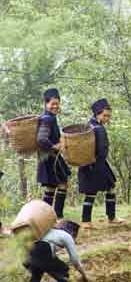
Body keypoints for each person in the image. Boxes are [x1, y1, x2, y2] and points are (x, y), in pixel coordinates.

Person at [78, 99, 121, 229]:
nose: (107, 118)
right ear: (97, 114)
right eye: (105, 115)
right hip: (96, 165)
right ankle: (88, 221)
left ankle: (109, 217)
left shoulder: (88, 125)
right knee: (93, 192)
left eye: (108, 116)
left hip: (89, 164)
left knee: (108, 187)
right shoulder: (98, 129)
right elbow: (102, 150)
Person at [37, 88, 71, 220]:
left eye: (57, 103)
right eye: (52, 103)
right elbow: (41, 139)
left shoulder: (50, 117)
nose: (55, 106)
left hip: (47, 157)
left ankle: (45, 218)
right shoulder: (47, 119)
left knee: (51, 187)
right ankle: (57, 216)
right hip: (50, 157)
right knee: (62, 184)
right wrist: (54, 146)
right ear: (46, 104)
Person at [24, 221, 89, 282]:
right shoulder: (67, 236)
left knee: (37, 274)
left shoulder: (51, 231)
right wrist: (84, 275)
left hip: (27, 253)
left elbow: (50, 256)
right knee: (63, 269)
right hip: (41, 250)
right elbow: (75, 259)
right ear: (73, 233)